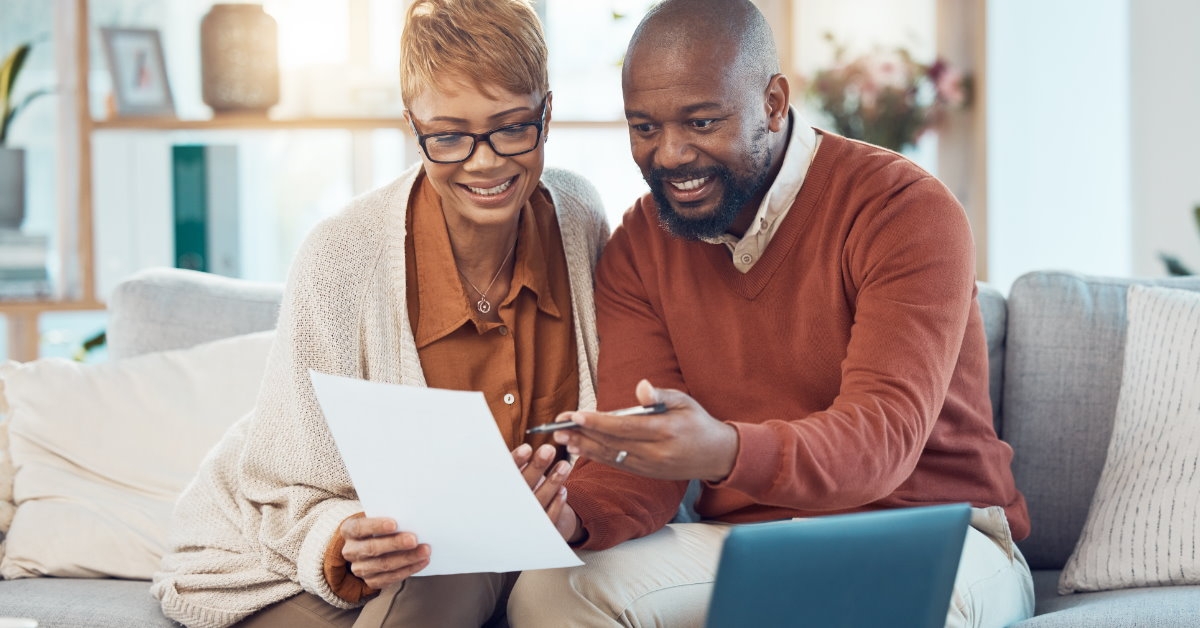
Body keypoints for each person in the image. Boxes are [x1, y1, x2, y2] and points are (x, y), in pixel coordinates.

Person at [508, 1, 1035, 627]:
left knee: (879, 605)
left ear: (773, 103)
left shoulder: (903, 210)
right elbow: (642, 470)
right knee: (551, 590)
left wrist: (723, 451)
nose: (669, 155)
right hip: (749, 543)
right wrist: (572, 515)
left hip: (935, 534)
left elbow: (881, 439)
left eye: (701, 122)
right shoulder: (639, 248)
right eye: (644, 127)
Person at [151, 1, 606, 626]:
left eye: (511, 127)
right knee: (437, 582)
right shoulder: (340, 256)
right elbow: (287, 478)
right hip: (366, 562)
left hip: (534, 552)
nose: (484, 161)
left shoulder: (580, 220)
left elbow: (615, 437)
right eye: (447, 136)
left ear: (547, 114)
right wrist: (346, 538)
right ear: (410, 123)